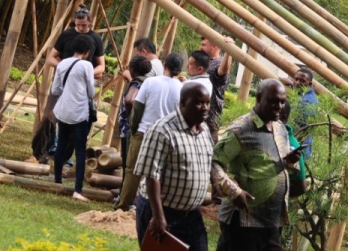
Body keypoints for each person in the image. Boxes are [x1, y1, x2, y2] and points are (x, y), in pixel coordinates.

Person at [212, 79, 303, 251]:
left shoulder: (279, 128)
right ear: (259, 98)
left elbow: (273, 163)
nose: (279, 106)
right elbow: (215, 161)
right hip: (243, 222)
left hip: (271, 219)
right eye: (274, 101)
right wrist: (233, 190)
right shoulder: (241, 130)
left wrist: (289, 161)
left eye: (282, 102)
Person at [133, 81, 217, 251]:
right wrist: (158, 216)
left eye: (207, 103)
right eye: (199, 103)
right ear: (183, 101)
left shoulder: (204, 131)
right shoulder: (162, 130)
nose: (205, 108)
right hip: (162, 212)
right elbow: (151, 175)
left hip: (192, 214)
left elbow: (209, 164)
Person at [117, 53, 185, 210]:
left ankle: (123, 205)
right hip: (166, 136)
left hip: (144, 131)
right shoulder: (181, 88)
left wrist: (134, 130)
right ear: (180, 70)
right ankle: (152, 208)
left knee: (132, 170)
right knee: (158, 174)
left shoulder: (150, 82)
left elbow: (137, 108)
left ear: (164, 64)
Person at [51, 34, 96, 201]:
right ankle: (78, 189)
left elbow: (55, 90)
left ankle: (57, 181)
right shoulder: (87, 66)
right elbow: (91, 92)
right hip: (79, 112)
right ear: (87, 52)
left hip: (63, 110)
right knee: (80, 150)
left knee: (61, 144)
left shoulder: (62, 63)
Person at [49, 6, 105, 78]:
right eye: (78, 25)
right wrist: (64, 67)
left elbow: (101, 66)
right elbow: (51, 58)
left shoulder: (96, 38)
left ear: (90, 21)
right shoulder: (66, 34)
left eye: (84, 25)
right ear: (74, 21)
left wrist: (88, 73)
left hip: (83, 79)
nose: (81, 28)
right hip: (64, 76)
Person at [198, 35, 232, 135]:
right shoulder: (206, 62)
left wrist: (228, 49)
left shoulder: (218, 64)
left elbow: (223, 70)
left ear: (214, 46)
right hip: (198, 117)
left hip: (209, 120)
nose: (200, 47)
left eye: (204, 45)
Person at [292, 67, 320, 159]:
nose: (297, 83)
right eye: (296, 79)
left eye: (302, 81)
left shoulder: (307, 102)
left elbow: (301, 131)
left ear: (309, 84)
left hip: (298, 149)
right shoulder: (303, 95)